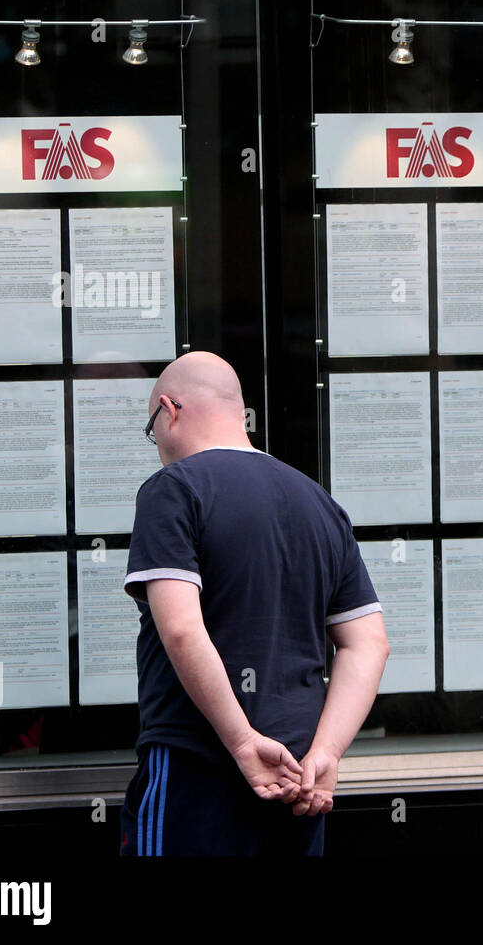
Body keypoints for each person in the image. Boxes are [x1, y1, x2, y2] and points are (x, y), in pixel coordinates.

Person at [117, 351, 389, 855]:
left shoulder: (174, 490)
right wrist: (326, 752)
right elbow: (369, 644)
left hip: (194, 766)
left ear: (168, 410)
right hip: (298, 779)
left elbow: (180, 628)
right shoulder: (318, 502)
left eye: (152, 428)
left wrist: (242, 741)